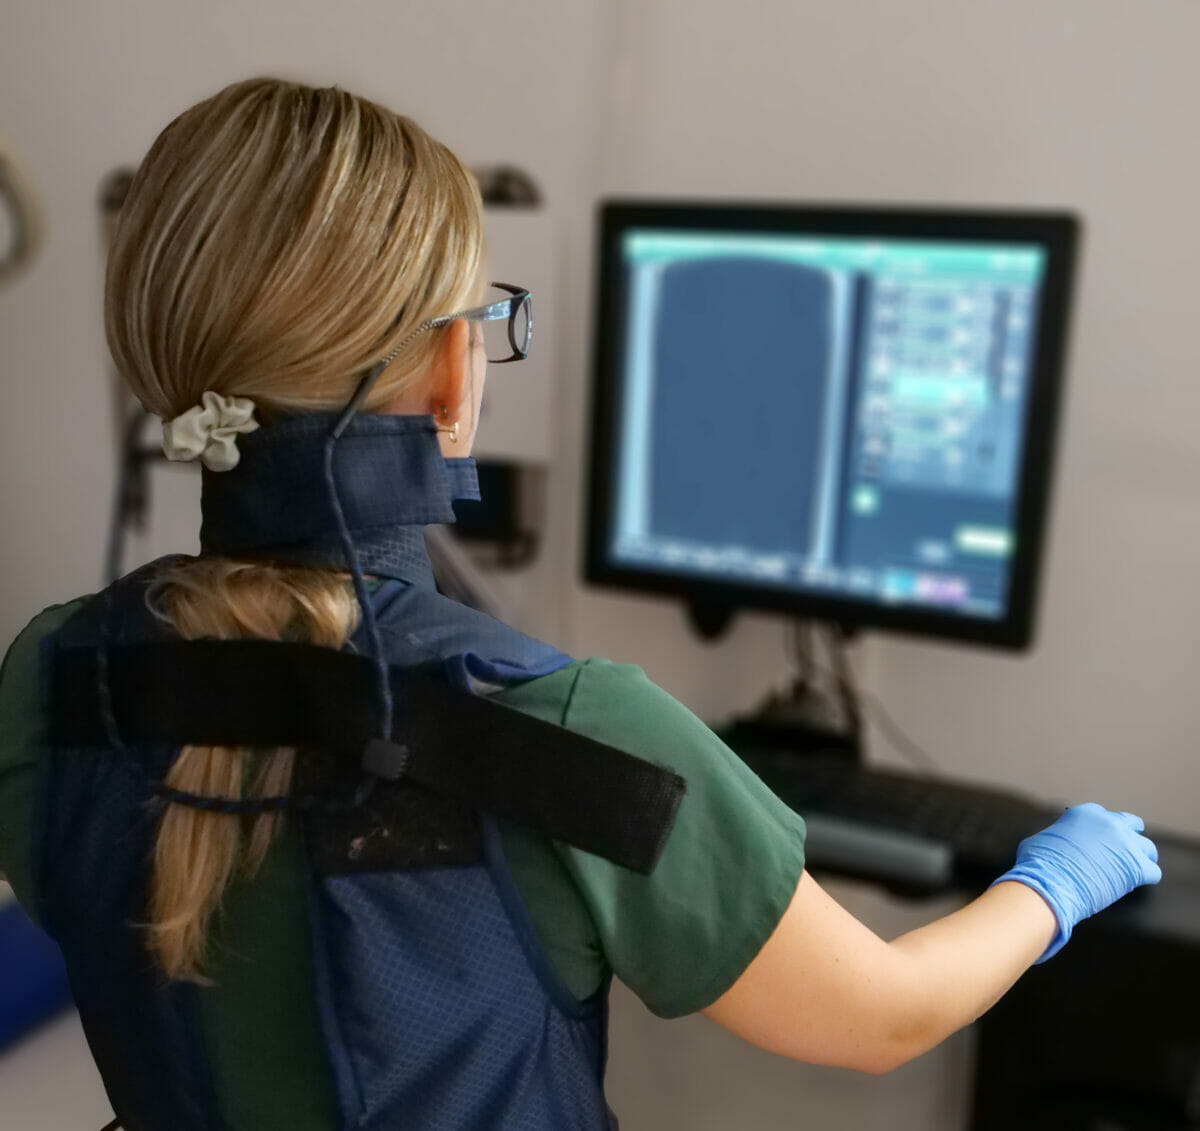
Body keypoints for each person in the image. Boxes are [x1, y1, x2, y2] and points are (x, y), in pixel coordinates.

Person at [0, 77, 1160, 1131]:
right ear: (454, 377)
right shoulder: (561, 731)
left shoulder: (54, 678)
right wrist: (1058, 880)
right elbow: (886, 1016)